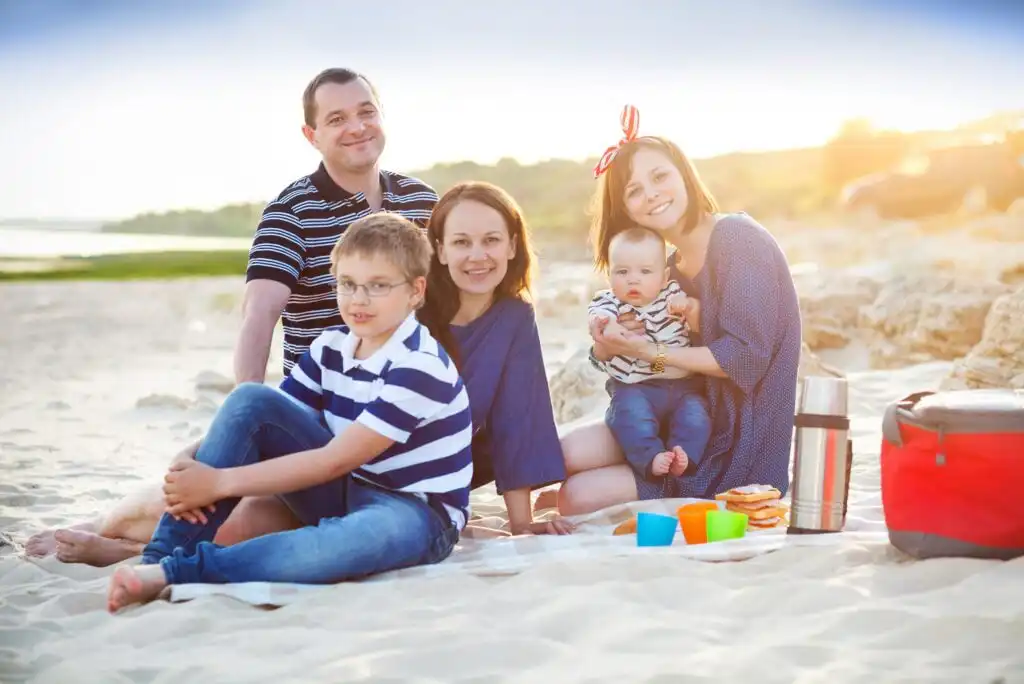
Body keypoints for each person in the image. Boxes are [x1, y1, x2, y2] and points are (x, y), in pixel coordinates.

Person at [26, 66, 439, 565]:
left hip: (397, 417)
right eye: (336, 118)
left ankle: (128, 551)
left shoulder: (422, 203)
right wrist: (246, 418)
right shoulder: (291, 209)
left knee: (253, 526)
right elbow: (259, 314)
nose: (356, 127)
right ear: (312, 135)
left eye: (365, 112)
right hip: (314, 421)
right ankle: (112, 537)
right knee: (235, 518)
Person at [107, 213, 471, 612]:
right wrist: (190, 458)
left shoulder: (420, 364)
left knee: (340, 545)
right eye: (347, 284)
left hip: (415, 512)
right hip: (342, 488)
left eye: (378, 286)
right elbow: (262, 421)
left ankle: (178, 572)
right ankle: (157, 558)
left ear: (416, 291)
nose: (358, 300)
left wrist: (220, 482)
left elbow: (333, 460)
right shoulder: (330, 346)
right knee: (250, 398)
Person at [548, 105, 801, 516]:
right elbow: (624, 354)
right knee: (559, 456)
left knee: (575, 497)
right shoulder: (665, 269)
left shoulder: (738, 239)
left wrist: (651, 353)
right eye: (633, 190)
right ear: (625, 209)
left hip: (733, 441)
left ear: (685, 174)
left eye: (660, 176)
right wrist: (611, 344)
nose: (650, 194)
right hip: (665, 414)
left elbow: (747, 360)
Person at [418, 181, 572, 536]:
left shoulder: (514, 316)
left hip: (452, 465)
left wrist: (521, 524)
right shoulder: (413, 311)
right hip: (380, 462)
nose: (477, 255)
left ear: (512, 245)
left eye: (491, 240)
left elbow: (516, 417)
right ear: (439, 250)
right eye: (461, 242)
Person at [586, 226, 711, 496]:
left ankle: (684, 457)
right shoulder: (610, 303)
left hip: (681, 386)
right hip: (636, 387)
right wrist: (604, 326)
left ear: (664, 276)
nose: (633, 280)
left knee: (696, 416)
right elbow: (598, 318)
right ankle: (651, 458)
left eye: (645, 272)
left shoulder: (671, 295)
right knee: (630, 416)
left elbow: (695, 314)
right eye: (622, 272)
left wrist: (685, 305)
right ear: (609, 275)